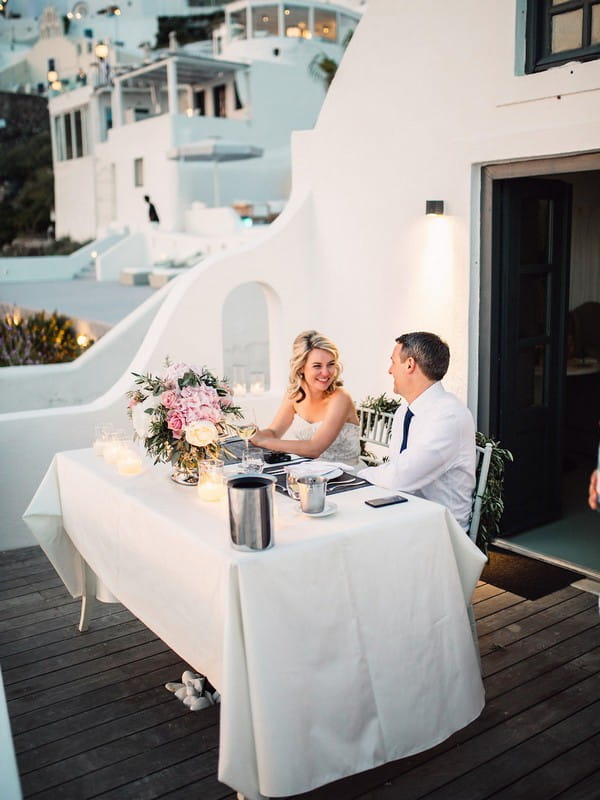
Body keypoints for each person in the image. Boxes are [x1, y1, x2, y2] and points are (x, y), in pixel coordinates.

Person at [358, 331, 476, 531]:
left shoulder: (449, 417)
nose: (389, 370)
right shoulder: (404, 411)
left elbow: (400, 477)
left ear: (410, 364)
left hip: (441, 530)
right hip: (405, 514)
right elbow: (399, 475)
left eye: (393, 362)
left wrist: (357, 476)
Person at [250, 330, 361, 464]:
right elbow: (274, 432)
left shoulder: (341, 398)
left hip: (348, 478)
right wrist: (255, 435)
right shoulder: (295, 394)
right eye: (317, 366)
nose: (325, 373)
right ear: (302, 367)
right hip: (310, 473)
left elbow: (315, 449)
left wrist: (264, 441)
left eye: (331, 364)